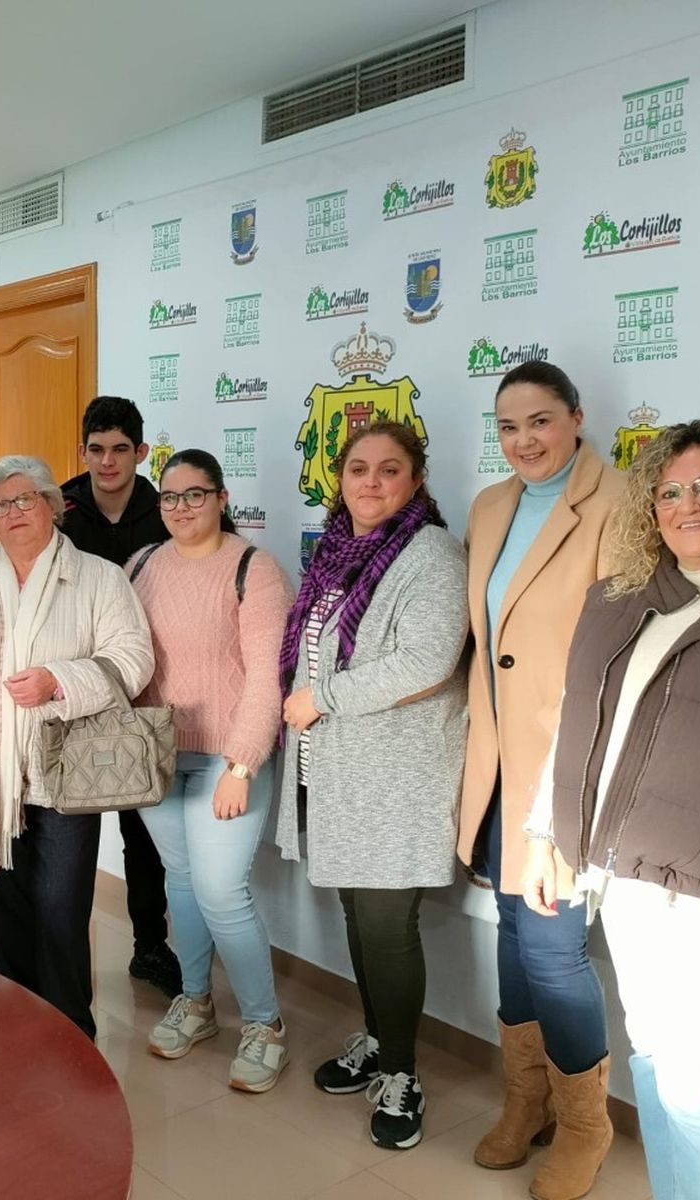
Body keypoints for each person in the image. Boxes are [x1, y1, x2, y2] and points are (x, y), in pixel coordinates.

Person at [523, 420, 700, 1200]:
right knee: (651, 1056)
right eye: (670, 490)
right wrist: (548, 832)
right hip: (625, 872)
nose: (686, 505)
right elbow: (575, 724)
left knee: (687, 1083)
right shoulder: (618, 600)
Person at [455, 362, 625, 1196]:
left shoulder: (618, 504)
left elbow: (621, 659)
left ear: (577, 418)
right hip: (496, 765)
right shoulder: (490, 507)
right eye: (508, 427)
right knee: (513, 938)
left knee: (556, 951)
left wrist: (571, 786)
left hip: (567, 766)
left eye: (541, 422)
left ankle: (587, 1123)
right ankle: (528, 1101)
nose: (524, 441)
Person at [276, 421, 468, 1151]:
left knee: (388, 928)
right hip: (341, 772)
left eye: (391, 470)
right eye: (358, 468)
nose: (372, 481)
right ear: (341, 478)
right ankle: (379, 1042)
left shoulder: (431, 555)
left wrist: (322, 698)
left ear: (416, 480)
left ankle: (403, 1073)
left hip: (398, 778)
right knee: (360, 918)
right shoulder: (334, 554)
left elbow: (427, 661)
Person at [0, 454, 154, 1039]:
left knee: (60, 912)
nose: (13, 513)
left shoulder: (98, 576)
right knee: (1, 911)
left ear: (53, 506)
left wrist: (59, 680)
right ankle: (16, 1029)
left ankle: (68, 1036)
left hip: (61, 772)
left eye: (25, 498)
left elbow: (134, 660)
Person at [126, 449, 293, 1091]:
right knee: (183, 880)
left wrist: (243, 766)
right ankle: (196, 1001)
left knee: (223, 891)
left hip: (228, 758)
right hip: (157, 758)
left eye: (196, 495)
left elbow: (265, 681)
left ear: (222, 498)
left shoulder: (254, 568)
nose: (181, 508)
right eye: (170, 497)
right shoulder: (141, 565)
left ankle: (264, 1024)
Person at [60, 395, 181, 998]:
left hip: (142, 689)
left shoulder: (170, 509)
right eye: (96, 449)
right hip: (69, 693)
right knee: (64, 835)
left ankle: (150, 948)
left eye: (120, 450)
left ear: (142, 452)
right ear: (82, 452)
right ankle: (57, 953)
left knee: (144, 834)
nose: (107, 461)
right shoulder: (56, 508)